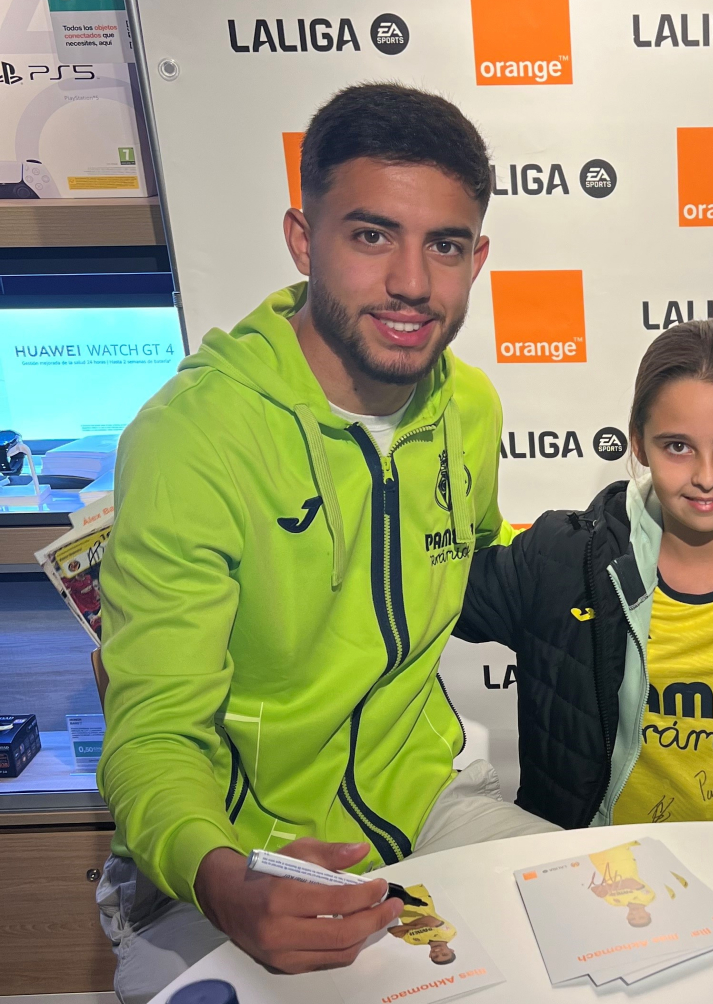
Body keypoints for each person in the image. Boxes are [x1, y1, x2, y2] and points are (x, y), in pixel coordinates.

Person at [94, 83, 555, 1001]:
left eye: (446, 245)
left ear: (479, 256)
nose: (414, 284)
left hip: (426, 806)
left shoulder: (471, 407)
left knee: (633, 945)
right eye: (372, 235)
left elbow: (464, 558)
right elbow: (154, 737)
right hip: (235, 855)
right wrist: (221, 876)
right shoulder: (193, 438)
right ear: (304, 239)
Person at [454, 319, 713, 829]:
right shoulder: (561, 561)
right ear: (639, 444)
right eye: (677, 446)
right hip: (611, 878)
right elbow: (410, 590)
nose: (706, 476)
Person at [386, 884, 458, 965]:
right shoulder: (449, 934)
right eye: (444, 954)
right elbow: (429, 919)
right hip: (415, 893)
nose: (438, 952)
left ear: (430, 955)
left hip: (396, 902)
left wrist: (413, 926)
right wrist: (406, 928)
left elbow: (392, 930)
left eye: (435, 956)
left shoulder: (414, 941)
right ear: (451, 950)